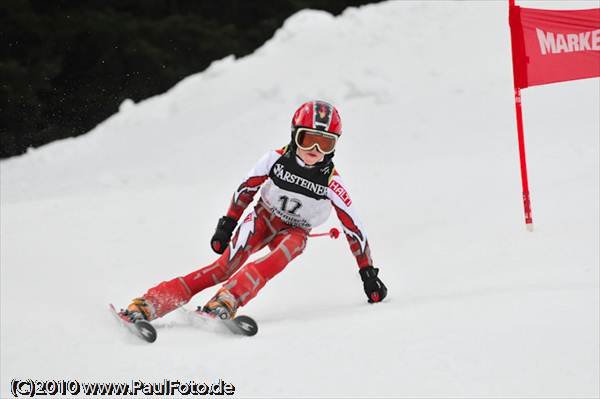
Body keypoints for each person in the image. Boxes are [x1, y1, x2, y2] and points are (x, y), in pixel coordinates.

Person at [122, 100, 387, 322]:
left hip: (295, 230)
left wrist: (367, 273)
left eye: (325, 144)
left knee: (280, 256)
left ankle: (228, 299)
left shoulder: (331, 180)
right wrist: (228, 223)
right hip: (263, 218)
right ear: (294, 136)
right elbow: (245, 190)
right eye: (307, 140)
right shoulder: (274, 159)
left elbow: (353, 228)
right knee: (222, 267)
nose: (314, 151)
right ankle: (151, 302)